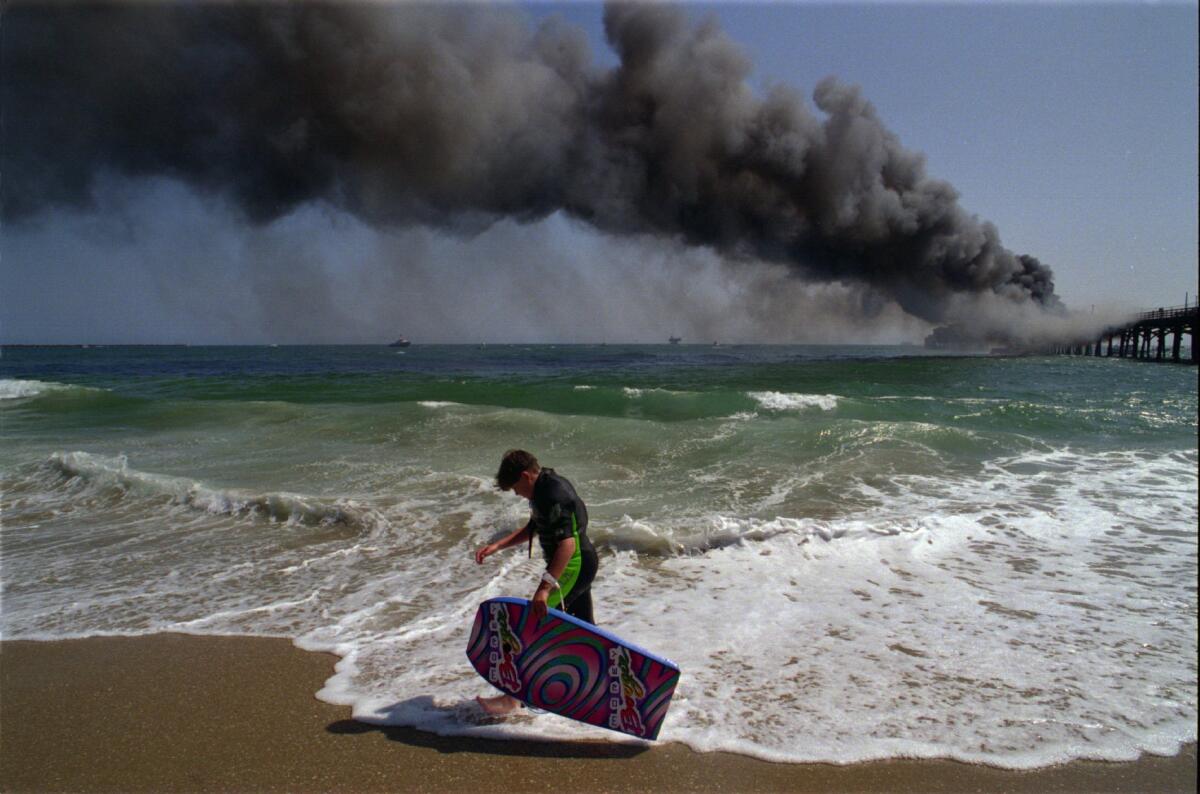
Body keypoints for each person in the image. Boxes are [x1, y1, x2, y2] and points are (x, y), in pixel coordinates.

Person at [473, 449, 599, 715]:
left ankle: (512, 699)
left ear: (525, 475)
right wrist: (498, 545)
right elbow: (536, 527)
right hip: (579, 564)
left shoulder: (552, 494)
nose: (517, 494)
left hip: (572, 565)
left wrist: (544, 588)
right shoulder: (545, 488)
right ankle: (592, 689)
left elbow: (566, 544)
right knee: (583, 629)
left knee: (531, 627)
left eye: (516, 488)